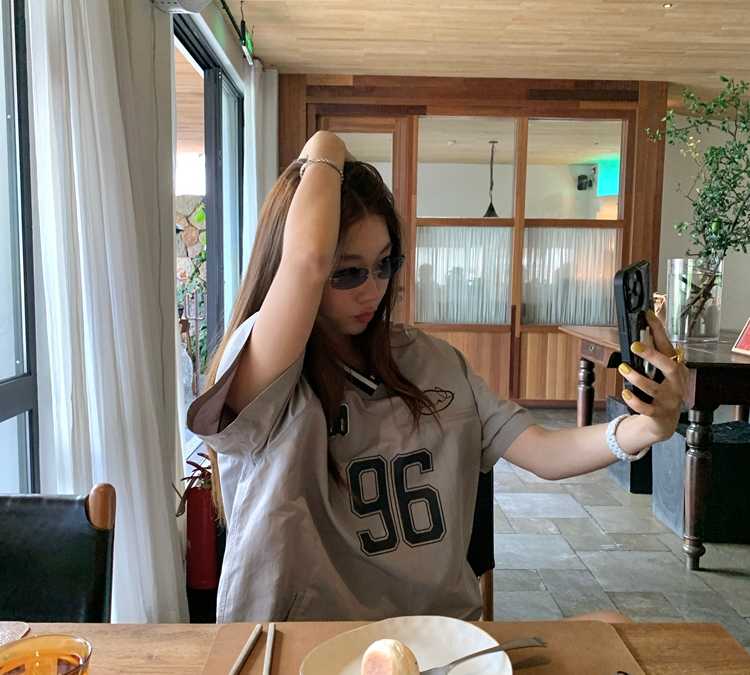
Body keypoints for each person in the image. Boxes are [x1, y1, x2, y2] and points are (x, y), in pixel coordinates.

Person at [187, 132, 687, 624]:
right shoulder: (265, 371)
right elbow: (306, 259)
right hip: (303, 648)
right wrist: (325, 144)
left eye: (384, 265)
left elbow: (545, 453)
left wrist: (645, 428)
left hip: (438, 644)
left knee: (612, 625)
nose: (372, 291)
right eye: (346, 273)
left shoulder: (433, 361)